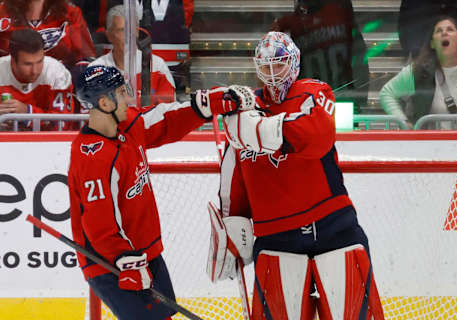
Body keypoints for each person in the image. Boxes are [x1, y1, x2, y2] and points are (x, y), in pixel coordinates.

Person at [207, 31, 384, 319]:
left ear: (294, 63)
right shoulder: (243, 109)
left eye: (279, 64)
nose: (272, 73)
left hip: (333, 229)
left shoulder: (314, 91)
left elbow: (317, 136)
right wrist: (233, 223)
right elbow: (233, 175)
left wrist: (262, 131)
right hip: (276, 237)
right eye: (266, 67)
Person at [67, 65, 251, 319]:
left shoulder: (128, 125)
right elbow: (99, 222)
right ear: (103, 102)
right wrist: (124, 259)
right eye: (121, 93)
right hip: (111, 263)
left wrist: (205, 105)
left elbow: (166, 121)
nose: (128, 98)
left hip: (145, 253)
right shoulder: (92, 157)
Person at [271, 0, 370, 113]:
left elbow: (358, 54)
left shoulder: (339, 12)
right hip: (314, 97)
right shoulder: (296, 21)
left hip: (336, 96)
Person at [380, 15, 457, 129]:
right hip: (428, 145)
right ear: (432, 44)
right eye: (439, 31)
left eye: (450, 29)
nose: (444, 33)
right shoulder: (419, 72)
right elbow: (387, 93)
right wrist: (404, 123)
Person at [88, 5, 176, 108]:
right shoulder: (95, 70)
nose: (128, 36)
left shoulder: (157, 66)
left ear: (137, 32)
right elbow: (94, 114)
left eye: (132, 30)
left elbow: (169, 111)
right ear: (109, 36)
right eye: (122, 30)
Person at [0, 29, 73, 131]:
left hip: (48, 144)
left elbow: (63, 124)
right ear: (13, 60)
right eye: (27, 64)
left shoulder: (57, 72)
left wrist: (27, 112)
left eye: (40, 61)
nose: (35, 71)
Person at [0, 0, 96, 72]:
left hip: (59, 85)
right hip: (10, 86)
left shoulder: (70, 13)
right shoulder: (2, 13)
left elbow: (86, 59)